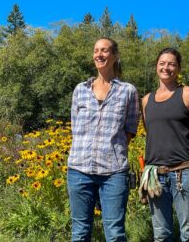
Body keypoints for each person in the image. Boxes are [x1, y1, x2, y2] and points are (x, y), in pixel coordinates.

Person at [67, 37, 139, 242]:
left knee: (115, 233)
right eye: (96, 50)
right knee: (80, 232)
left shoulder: (128, 91)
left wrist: (110, 149)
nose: (99, 54)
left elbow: (129, 131)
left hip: (113, 172)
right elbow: (75, 128)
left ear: (115, 56)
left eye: (105, 50)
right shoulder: (80, 90)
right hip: (79, 170)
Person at [141, 48, 189, 242]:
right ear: (156, 67)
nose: (166, 67)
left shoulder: (188, 94)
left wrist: (185, 148)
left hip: (184, 174)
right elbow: (152, 132)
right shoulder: (146, 100)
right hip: (155, 175)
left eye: (172, 64)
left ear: (178, 69)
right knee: (161, 235)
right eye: (162, 63)